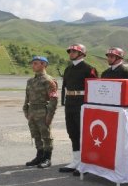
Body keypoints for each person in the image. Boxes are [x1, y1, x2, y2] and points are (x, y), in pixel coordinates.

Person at [58, 43, 98, 176]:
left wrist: (91, 105)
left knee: (83, 133)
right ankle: (76, 161)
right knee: (72, 132)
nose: (71, 54)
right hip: (70, 103)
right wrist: (64, 101)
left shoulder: (89, 68)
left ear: (81, 54)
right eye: (70, 52)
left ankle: (85, 162)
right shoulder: (68, 68)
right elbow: (64, 86)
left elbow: (94, 88)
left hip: (82, 103)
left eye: (74, 52)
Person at [23, 56, 58, 168]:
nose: (33, 65)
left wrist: (50, 115)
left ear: (44, 65)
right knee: (36, 135)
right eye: (32, 63)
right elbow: (27, 97)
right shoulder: (30, 81)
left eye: (36, 63)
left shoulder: (48, 80)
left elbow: (54, 99)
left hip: (43, 110)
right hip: (32, 110)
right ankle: (39, 156)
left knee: (46, 135)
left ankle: (47, 158)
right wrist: (25, 109)